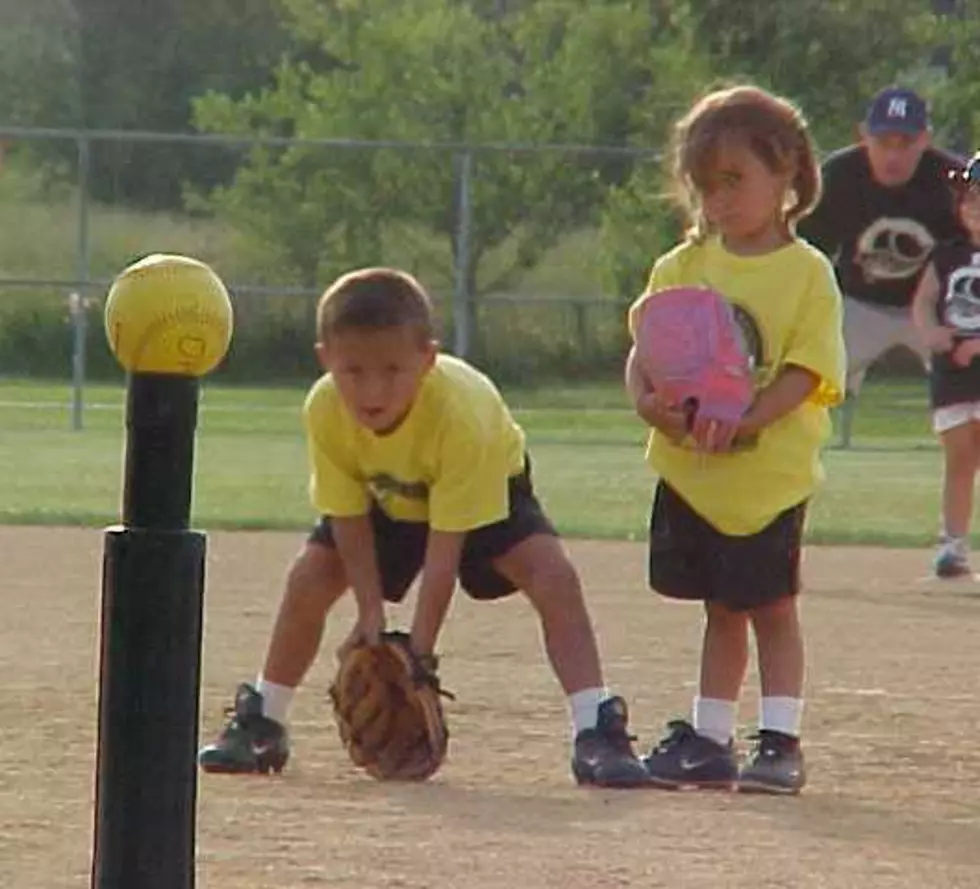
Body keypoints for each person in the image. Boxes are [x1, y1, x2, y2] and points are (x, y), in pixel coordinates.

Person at [198, 266, 650, 788]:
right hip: (386, 498)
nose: (372, 390)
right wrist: (370, 611)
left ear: (427, 359)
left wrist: (418, 650)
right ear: (325, 360)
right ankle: (264, 721)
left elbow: (446, 544)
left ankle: (595, 728)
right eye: (353, 371)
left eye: (392, 370)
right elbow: (347, 517)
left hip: (487, 486)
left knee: (552, 575)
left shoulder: (458, 413)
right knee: (310, 577)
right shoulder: (325, 408)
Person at [624, 84, 846, 794]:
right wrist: (648, 402)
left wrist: (747, 419)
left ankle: (779, 740)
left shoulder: (806, 273)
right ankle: (710, 737)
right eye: (704, 185)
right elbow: (645, 346)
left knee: (772, 608)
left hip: (764, 476)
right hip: (697, 474)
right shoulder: (683, 265)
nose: (719, 200)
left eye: (735, 180)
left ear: (787, 175)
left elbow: (807, 373)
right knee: (719, 609)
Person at [797, 86, 966, 444]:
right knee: (801, 377)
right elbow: (805, 250)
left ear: (925, 140)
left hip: (931, 306)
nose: (893, 154)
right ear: (863, 135)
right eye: (883, 141)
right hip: (859, 303)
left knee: (973, 383)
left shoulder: (953, 182)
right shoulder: (840, 175)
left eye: (905, 142)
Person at [911, 152, 980, 578]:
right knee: (959, 457)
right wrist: (931, 331)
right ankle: (953, 544)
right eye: (970, 198)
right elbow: (922, 302)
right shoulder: (946, 255)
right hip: (952, 374)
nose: (974, 207)